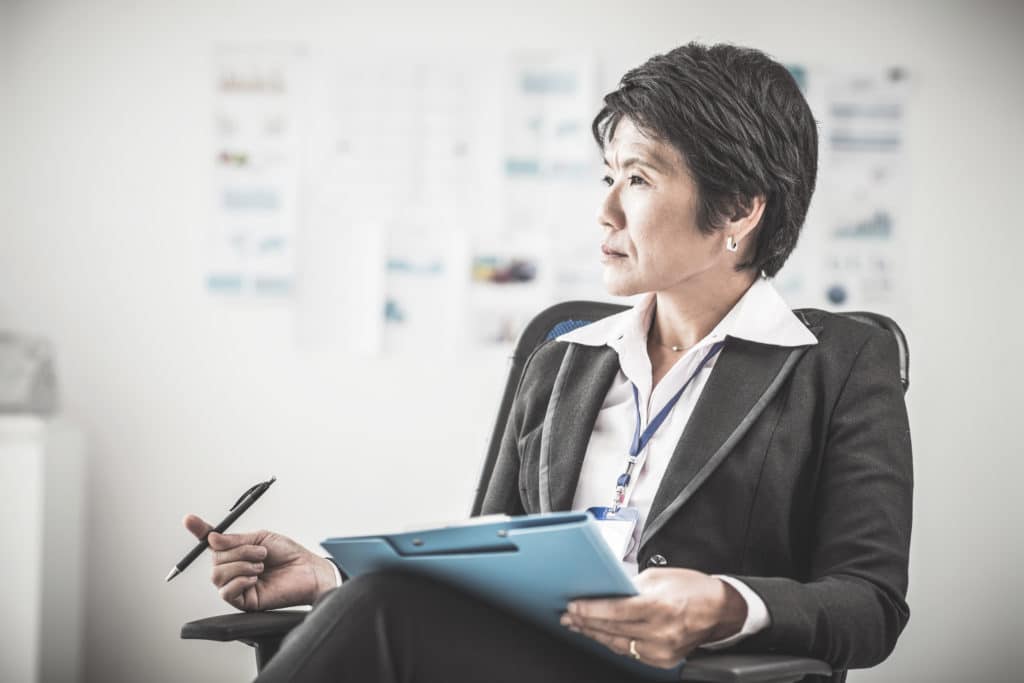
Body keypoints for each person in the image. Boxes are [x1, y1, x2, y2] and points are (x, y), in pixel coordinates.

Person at [184, 42, 912, 683]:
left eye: (640, 178)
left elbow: (869, 604)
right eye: (608, 177)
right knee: (380, 603)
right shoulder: (564, 360)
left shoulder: (840, 364)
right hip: (540, 660)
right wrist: (327, 575)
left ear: (738, 211)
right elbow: (485, 559)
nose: (605, 212)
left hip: (706, 672)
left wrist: (726, 603)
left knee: (384, 612)